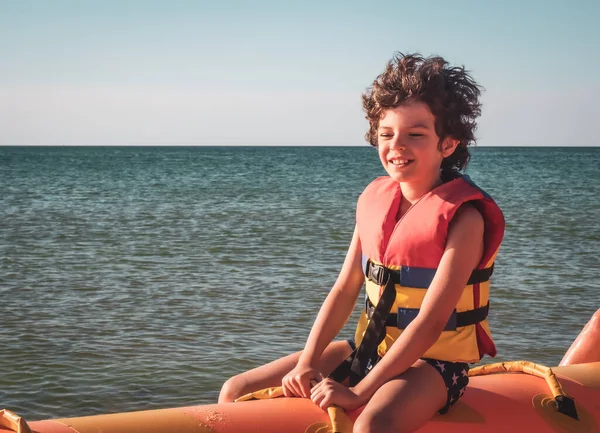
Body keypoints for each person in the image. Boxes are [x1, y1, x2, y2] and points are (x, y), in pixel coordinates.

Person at [219, 53, 505, 433]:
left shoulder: (464, 219)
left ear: (448, 144)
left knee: (372, 425)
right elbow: (344, 289)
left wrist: (361, 392)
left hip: (432, 366)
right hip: (366, 349)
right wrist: (308, 361)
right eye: (386, 134)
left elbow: (433, 321)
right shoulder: (374, 202)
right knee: (236, 390)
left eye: (415, 135)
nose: (397, 146)